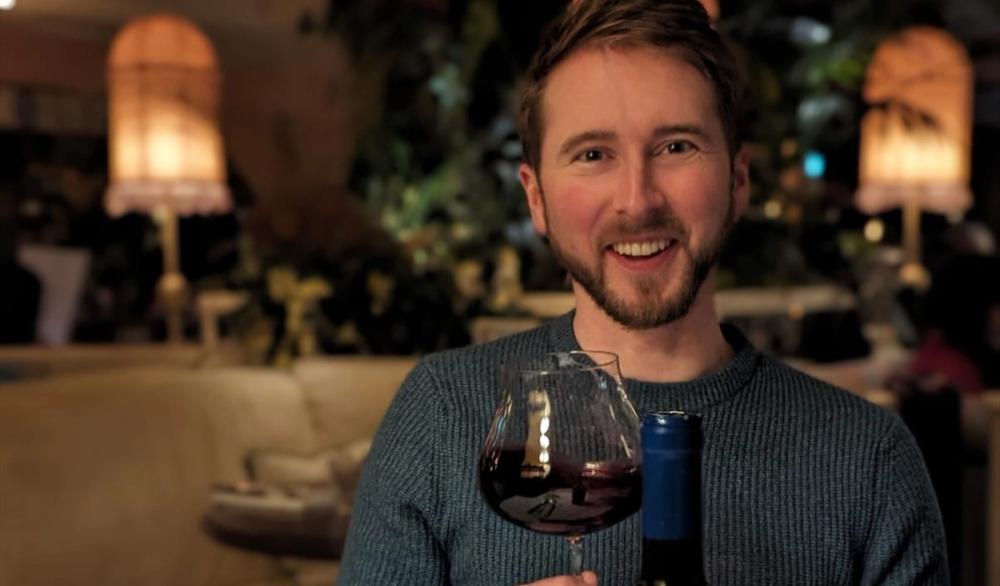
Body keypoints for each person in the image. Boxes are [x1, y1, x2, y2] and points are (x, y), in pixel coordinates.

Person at [338, 1, 949, 584]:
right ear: (536, 198)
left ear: (738, 180)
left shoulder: (869, 458)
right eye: (593, 154)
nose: (638, 201)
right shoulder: (441, 414)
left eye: (677, 147)